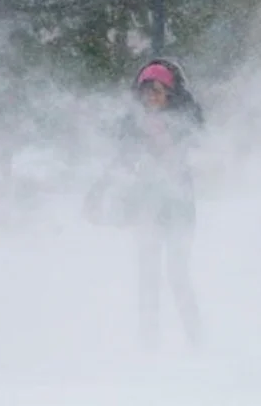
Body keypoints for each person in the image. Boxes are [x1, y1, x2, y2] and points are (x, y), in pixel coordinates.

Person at [88, 57, 204, 350]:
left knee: (178, 275)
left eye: (157, 90)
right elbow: (121, 160)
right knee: (148, 275)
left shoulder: (187, 118)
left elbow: (202, 151)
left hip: (178, 207)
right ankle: (149, 341)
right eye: (146, 91)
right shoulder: (132, 123)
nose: (151, 97)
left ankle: (197, 339)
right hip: (146, 207)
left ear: (170, 92)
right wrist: (102, 189)